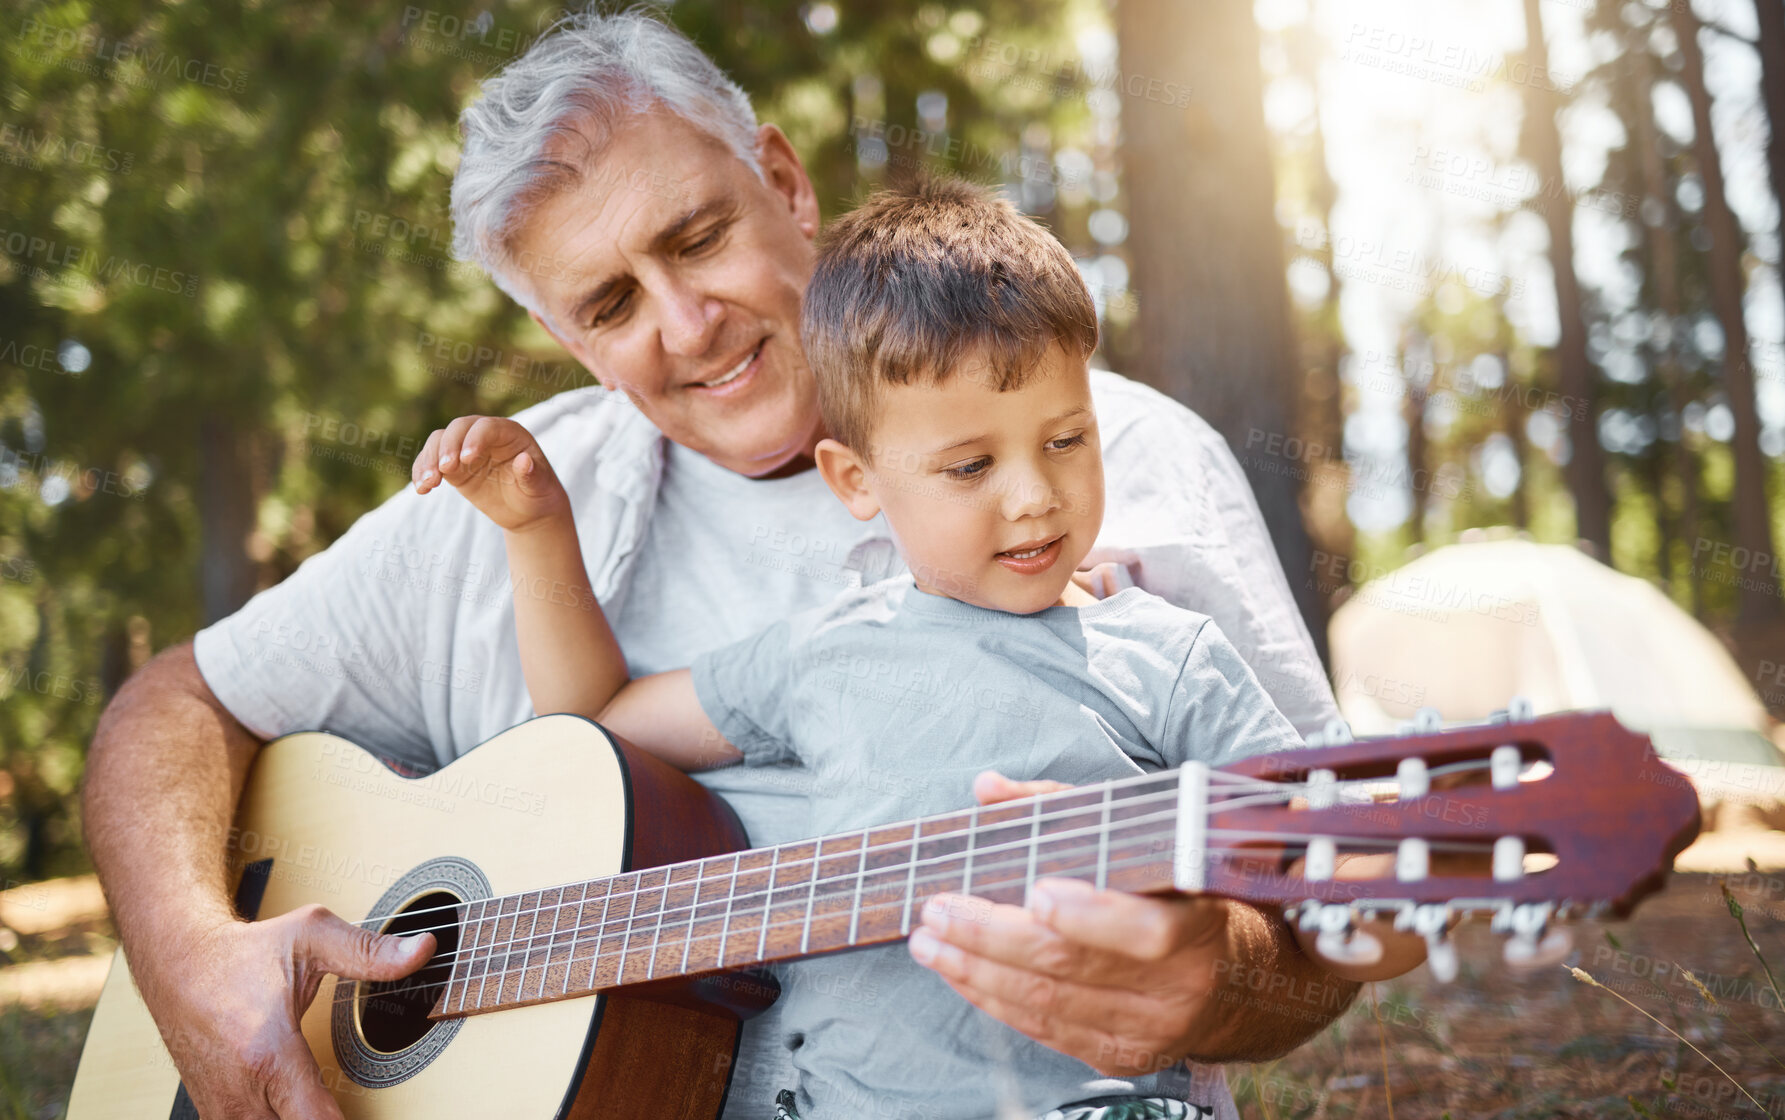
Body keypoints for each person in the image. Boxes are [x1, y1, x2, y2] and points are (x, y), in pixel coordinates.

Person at [81, 10, 1377, 1120]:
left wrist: (1223, 976)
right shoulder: (494, 506)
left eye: (696, 238)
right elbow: (170, 709)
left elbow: (1324, 934)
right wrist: (192, 958)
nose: (684, 325)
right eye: (609, 305)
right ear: (562, 339)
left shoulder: (1110, 463)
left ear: (784, 180)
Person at [412, 175, 1427, 1120]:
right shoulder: (822, 652)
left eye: (1067, 439)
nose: (1034, 494)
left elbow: (1355, 923)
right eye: (970, 463)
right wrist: (536, 528)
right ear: (856, 480)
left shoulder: (1166, 657)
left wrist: (1401, 881)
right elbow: (593, 723)